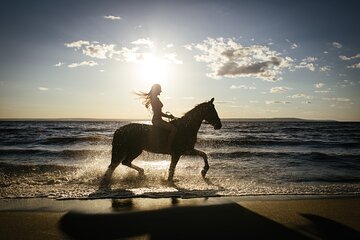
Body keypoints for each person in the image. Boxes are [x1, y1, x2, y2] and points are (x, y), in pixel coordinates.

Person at [136, 84, 177, 151]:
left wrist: (168, 116)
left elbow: (159, 112)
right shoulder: (155, 99)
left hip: (159, 120)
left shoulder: (155, 99)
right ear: (156, 90)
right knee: (174, 129)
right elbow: (159, 113)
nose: (161, 91)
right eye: (159, 89)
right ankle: (168, 147)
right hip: (157, 121)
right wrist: (168, 116)